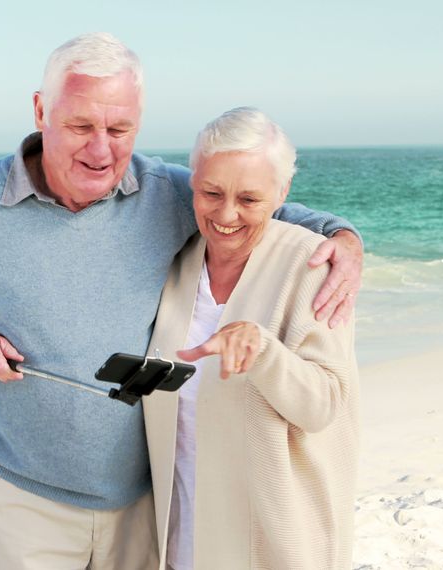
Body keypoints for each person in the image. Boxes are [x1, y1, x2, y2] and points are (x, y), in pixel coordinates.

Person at [0, 33, 362, 569]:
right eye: (81, 125)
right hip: (22, 492)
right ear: (40, 110)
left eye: (119, 128)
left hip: (144, 497)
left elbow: (250, 200)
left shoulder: (168, 191)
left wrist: (343, 237)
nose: (101, 150)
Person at [143, 107, 359, 570]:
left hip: (273, 540)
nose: (226, 215)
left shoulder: (312, 263)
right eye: (211, 192)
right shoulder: (179, 261)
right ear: (192, 182)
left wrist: (262, 351)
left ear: (281, 194)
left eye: (250, 199)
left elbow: (323, 405)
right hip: (184, 535)